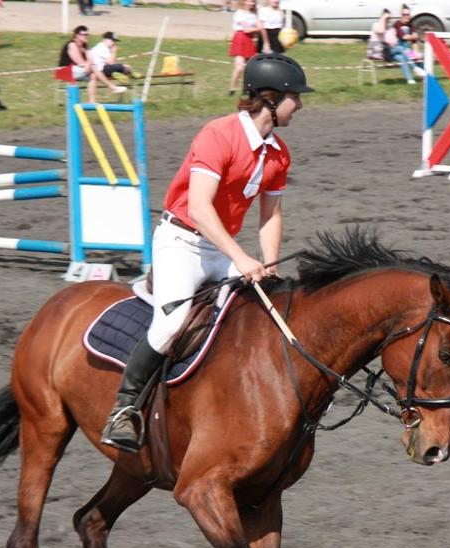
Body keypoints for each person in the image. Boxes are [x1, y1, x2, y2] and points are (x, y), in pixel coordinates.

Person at [100, 54, 313, 451]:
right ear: (270, 98)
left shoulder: (278, 153)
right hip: (181, 241)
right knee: (171, 324)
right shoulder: (218, 135)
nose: (299, 105)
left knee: (259, 319)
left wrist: (266, 262)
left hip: (220, 247)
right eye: (294, 97)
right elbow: (199, 208)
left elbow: (271, 215)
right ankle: (124, 410)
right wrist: (241, 258)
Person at [228, 0, 266, 96]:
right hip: (240, 38)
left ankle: (247, 88)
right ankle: (232, 89)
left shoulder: (254, 14)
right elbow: (246, 29)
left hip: (249, 40)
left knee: (249, 67)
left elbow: (258, 26)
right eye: (250, 1)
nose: (252, 4)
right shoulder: (239, 13)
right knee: (239, 67)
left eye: (253, 2)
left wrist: (259, 28)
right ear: (244, 2)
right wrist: (259, 28)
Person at [89, 31, 133, 96]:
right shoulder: (102, 47)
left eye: (115, 41)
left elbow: (111, 62)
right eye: (113, 41)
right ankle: (126, 76)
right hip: (99, 70)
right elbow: (111, 62)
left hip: (101, 69)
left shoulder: (103, 47)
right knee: (124, 67)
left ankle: (123, 75)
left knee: (123, 67)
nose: (114, 43)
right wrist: (114, 51)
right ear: (106, 39)